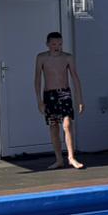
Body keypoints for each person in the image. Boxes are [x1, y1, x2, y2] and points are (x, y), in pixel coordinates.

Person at [33, 31, 84, 170]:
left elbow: (75, 78)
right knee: (53, 126)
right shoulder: (41, 58)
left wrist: (80, 99)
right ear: (48, 44)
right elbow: (37, 79)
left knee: (67, 125)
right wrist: (39, 101)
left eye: (60, 44)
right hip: (49, 95)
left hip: (64, 94)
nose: (57, 47)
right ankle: (59, 159)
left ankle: (71, 157)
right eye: (54, 44)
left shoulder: (68, 57)